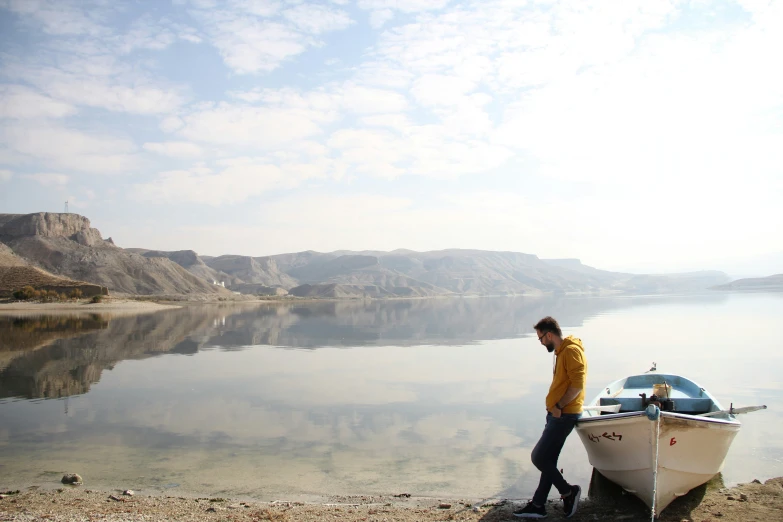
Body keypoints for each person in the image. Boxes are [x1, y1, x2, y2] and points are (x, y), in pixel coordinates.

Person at [513, 316, 587, 519]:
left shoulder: (571, 351)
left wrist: (559, 406)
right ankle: (538, 505)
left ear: (549, 334)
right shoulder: (562, 352)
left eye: (540, 338)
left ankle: (568, 492)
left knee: (538, 457)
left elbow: (577, 384)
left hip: (564, 414)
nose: (541, 343)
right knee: (549, 460)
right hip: (557, 414)